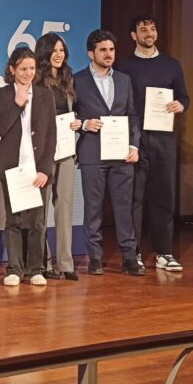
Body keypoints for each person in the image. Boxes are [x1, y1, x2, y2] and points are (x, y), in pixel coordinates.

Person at [115, 14, 189, 272]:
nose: (149, 33)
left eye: (153, 28)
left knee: (164, 196)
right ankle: (132, 251)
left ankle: (164, 252)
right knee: (133, 197)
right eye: (143, 29)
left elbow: (184, 97)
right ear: (133, 36)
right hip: (135, 140)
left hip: (164, 139)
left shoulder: (172, 65)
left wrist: (180, 105)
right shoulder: (124, 67)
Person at [73, 29, 143, 276]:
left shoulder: (124, 80)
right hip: (92, 152)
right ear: (90, 53)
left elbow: (132, 115)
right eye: (103, 50)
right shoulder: (77, 80)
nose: (108, 54)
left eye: (111, 49)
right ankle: (95, 258)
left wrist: (134, 145)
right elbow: (70, 114)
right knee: (93, 208)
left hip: (121, 152)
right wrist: (84, 124)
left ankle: (129, 257)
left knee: (124, 207)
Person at [0, 47, 57, 287]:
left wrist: (45, 169)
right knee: (14, 220)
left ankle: (36, 269)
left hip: (36, 168)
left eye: (32, 68)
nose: (28, 73)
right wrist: (17, 104)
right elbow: (1, 127)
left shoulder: (44, 95)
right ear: (12, 69)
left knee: (37, 221)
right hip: (13, 167)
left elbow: (51, 135)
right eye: (23, 69)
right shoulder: (0, 94)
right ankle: (15, 269)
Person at [34, 33, 82, 281]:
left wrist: (77, 122)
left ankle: (65, 263)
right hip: (43, 149)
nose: (59, 54)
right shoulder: (35, 80)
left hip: (66, 148)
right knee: (40, 206)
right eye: (54, 50)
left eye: (62, 50)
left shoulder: (67, 79)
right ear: (44, 53)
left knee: (65, 203)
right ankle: (42, 261)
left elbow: (75, 110)